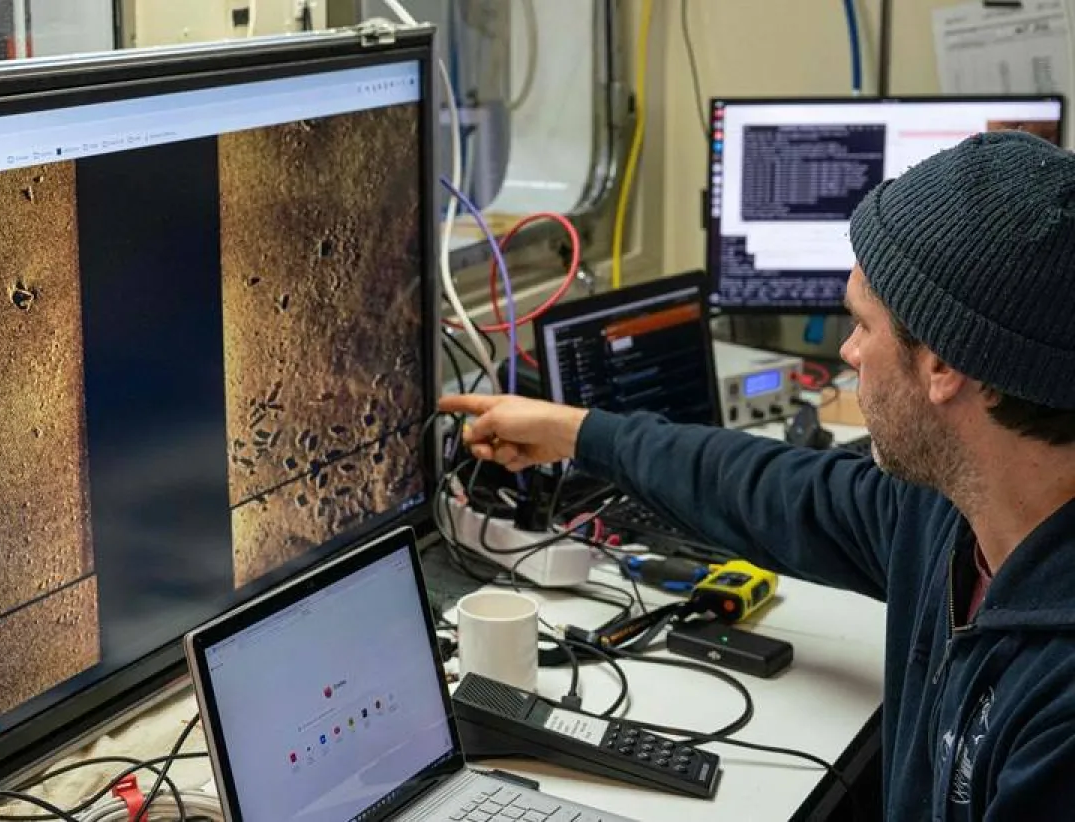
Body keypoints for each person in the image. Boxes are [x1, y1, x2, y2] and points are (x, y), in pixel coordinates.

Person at [439, 129, 1075, 821]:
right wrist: (578, 433)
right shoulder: (951, 512)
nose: (848, 351)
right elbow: (774, 491)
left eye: (862, 325)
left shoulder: (1060, 708)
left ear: (943, 364)